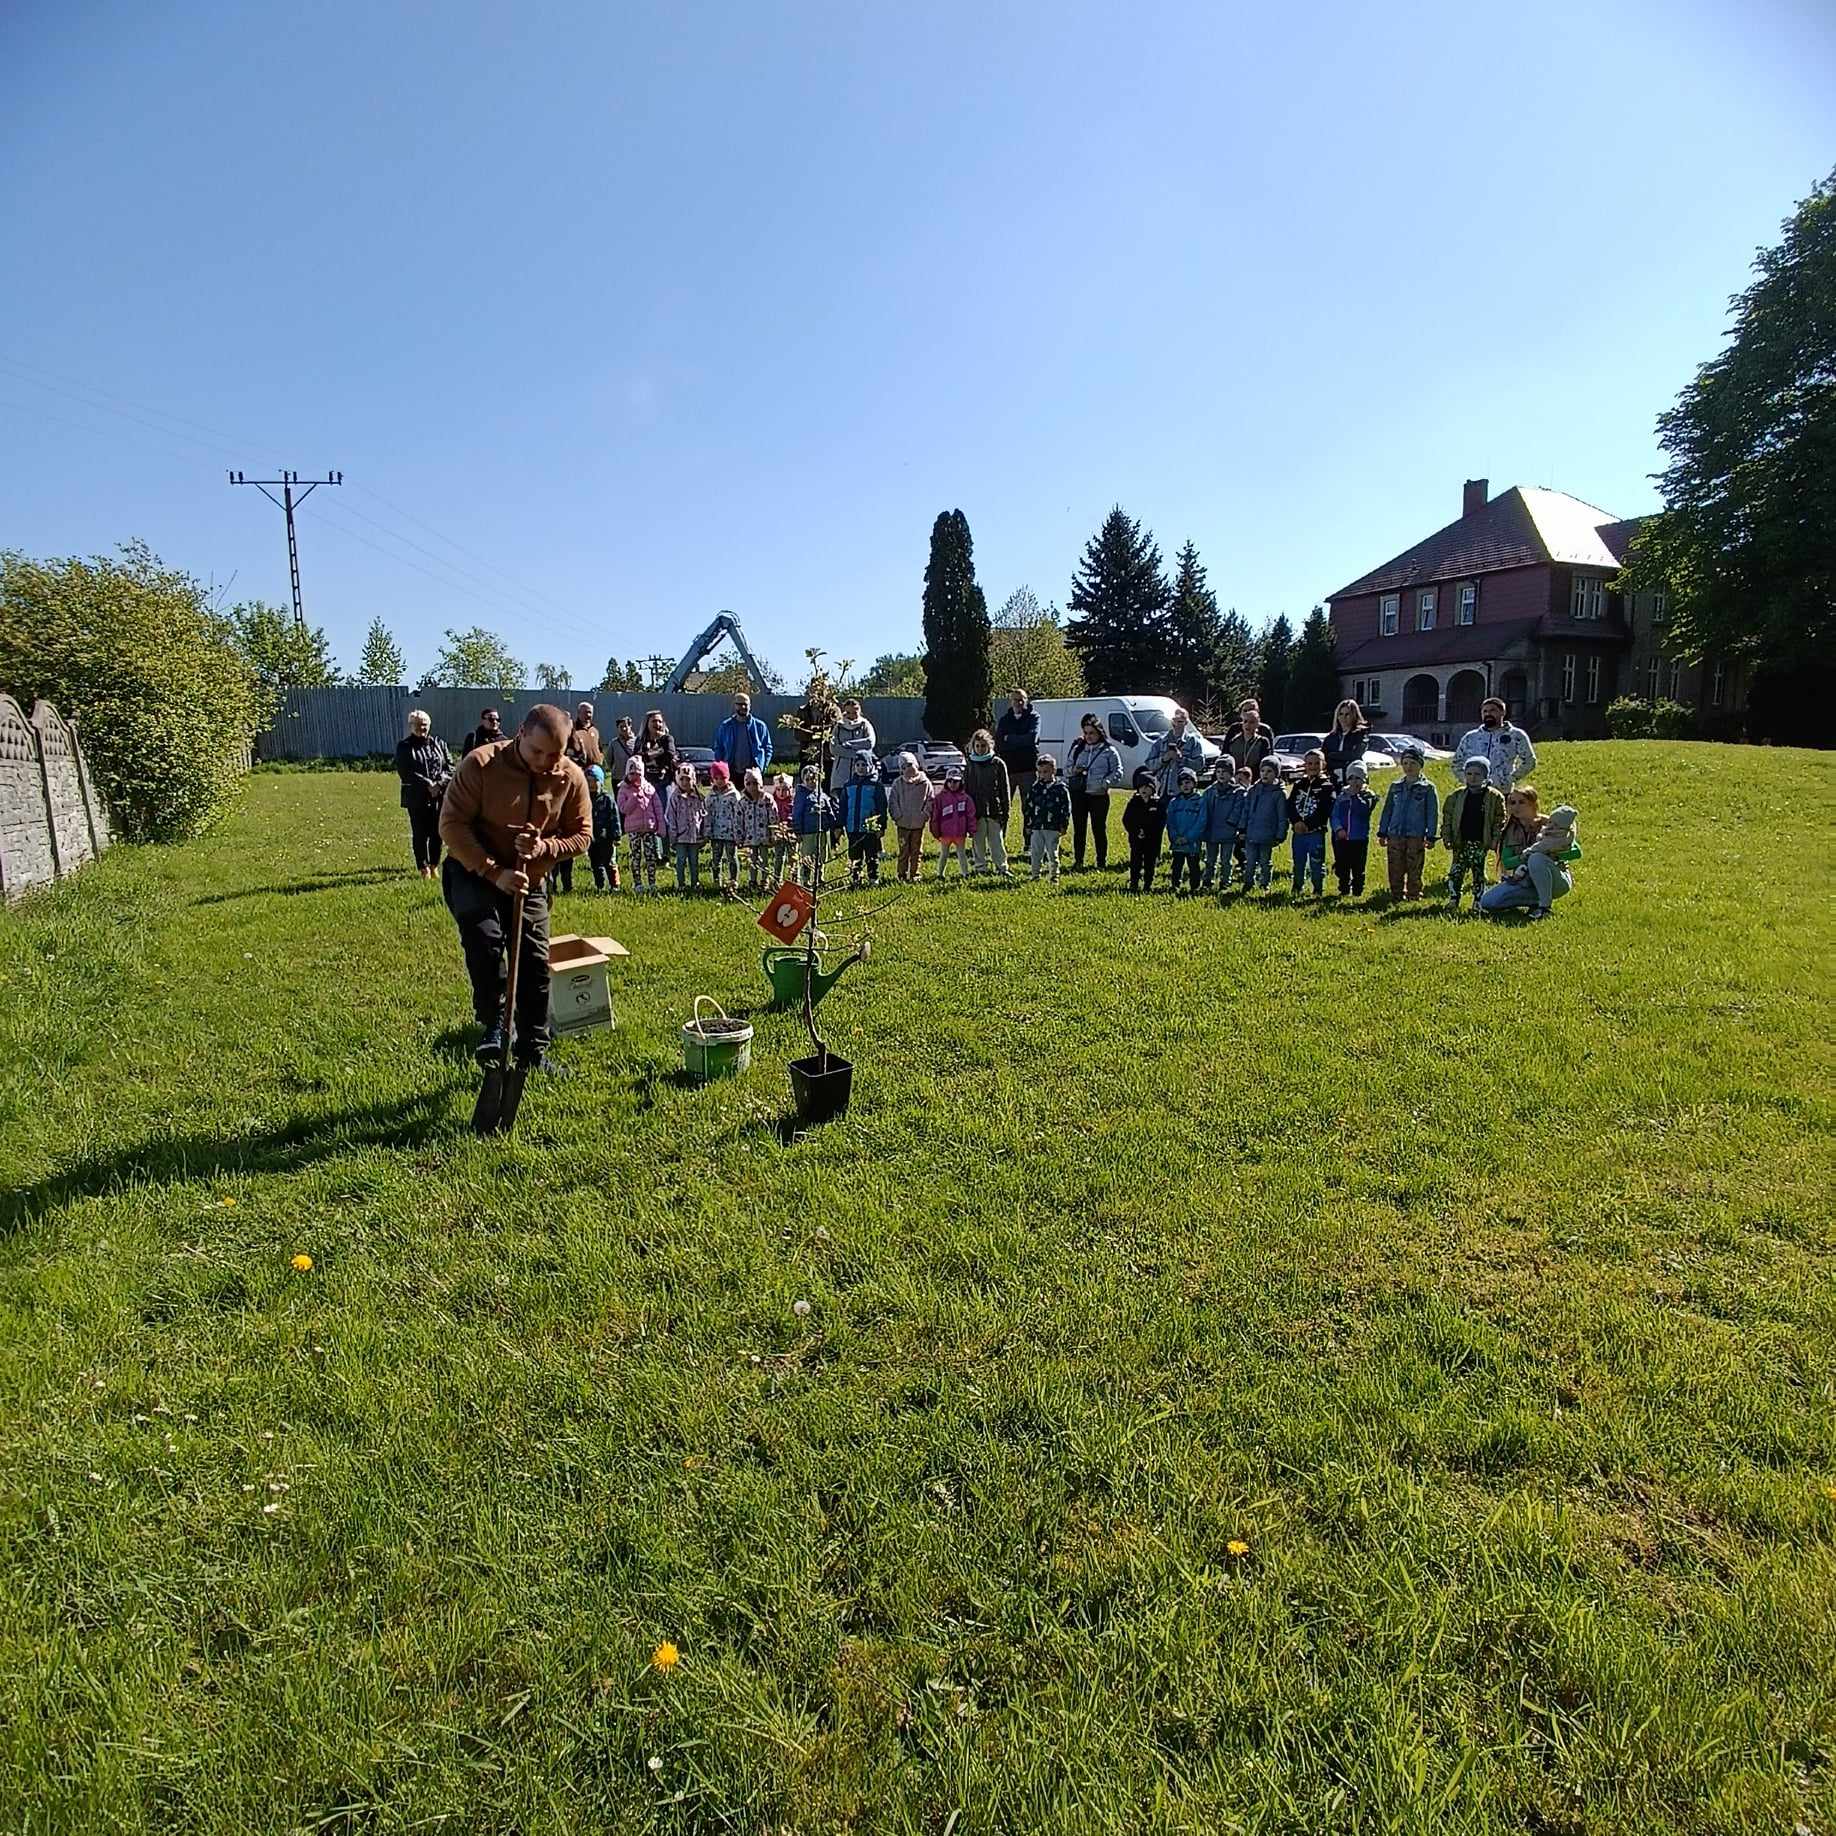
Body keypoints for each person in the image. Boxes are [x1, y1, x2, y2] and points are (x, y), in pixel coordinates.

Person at [437, 704, 589, 1071]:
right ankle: (496, 1024)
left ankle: (533, 1050)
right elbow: (452, 825)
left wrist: (544, 848)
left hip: (529, 880)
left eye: (555, 754)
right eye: (537, 751)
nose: (545, 762)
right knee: (485, 943)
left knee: (535, 963)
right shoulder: (481, 764)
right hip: (473, 872)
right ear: (520, 732)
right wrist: (493, 872)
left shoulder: (570, 777)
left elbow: (582, 836)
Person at [1481, 800, 1580, 919]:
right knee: (1487, 901)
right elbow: (1507, 863)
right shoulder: (1508, 830)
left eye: (1521, 802)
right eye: (1512, 803)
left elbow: (1577, 852)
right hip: (1524, 879)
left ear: (1532, 804)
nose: (1516, 807)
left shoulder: (1552, 825)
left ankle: (1544, 908)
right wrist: (1524, 858)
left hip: (1556, 880)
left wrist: (1553, 855)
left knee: (1536, 858)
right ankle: (1532, 901)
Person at [1442, 754, 1506, 910]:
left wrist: (1495, 839)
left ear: (1485, 776)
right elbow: (1447, 818)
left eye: (1477, 774)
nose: (1473, 778)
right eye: (1469, 774)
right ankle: (1454, 898)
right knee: (1456, 871)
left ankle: (1478, 900)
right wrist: (1447, 837)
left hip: (1480, 841)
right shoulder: (1456, 796)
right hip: (1460, 840)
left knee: (1478, 872)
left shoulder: (1494, 797)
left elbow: (1500, 820)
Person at [1377, 743, 1439, 900]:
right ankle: (1397, 893)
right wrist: (1383, 831)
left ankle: (1414, 893)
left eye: (1413, 763)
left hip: (1415, 835)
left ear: (1420, 765)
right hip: (1395, 833)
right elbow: (1388, 810)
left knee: (1414, 865)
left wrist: (1431, 835)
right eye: (1405, 763)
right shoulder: (1395, 787)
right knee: (1395, 865)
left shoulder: (1427, 788)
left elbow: (1432, 813)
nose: (1408, 767)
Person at [394, 708, 451, 878]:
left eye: (425, 725)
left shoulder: (439, 744)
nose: (422, 728)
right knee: (420, 833)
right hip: (416, 797)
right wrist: (428, 785)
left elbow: (450, 767)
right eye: (418, 725)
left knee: (437, 833)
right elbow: (405, 771)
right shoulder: (404, 747)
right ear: (411, 726)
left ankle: (434, 865)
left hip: (438, 796)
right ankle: (423, 867)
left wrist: (439, 783)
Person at [1064, 712, 1123, 870]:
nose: (1088, 736)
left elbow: (1118, 772)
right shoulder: (1078, 748)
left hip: (1099, 795)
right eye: (1086, 733)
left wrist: (1105, 783)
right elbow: (1066, 770)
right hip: (1079, 794)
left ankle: (1101, 862)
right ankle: (1078, 861)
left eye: (1092, 733)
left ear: (1099, 733)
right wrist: (1075, 770)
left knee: (1099, 829)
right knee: (1079, 829)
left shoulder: (1109, 750)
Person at [1453, 696, 1537, 790]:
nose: (1488, 714)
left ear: (1503, 712)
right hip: (1474, 792)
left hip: (1502, 791)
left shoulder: (1516, 735)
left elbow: (1530, 761)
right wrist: (1467, 780)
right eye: (1485, 711)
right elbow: (1456, 763)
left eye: (1493, 710)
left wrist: (1510, 779)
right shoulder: (1470, 737)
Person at [963, 729, 1012, 878]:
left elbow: (1005, 788)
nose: (980, 749)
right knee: (978, 842)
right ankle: (980, 867)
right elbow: (966, 789)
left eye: (983, 746)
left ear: (989, 745)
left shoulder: (997, 763)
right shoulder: (970, 764)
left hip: (994, 809)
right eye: (977, 746)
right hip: (976, 811)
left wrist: (1006, 809)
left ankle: (1002, 867)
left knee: (996, 841)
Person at [1285, 748, 1334, 897]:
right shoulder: (1299, 784)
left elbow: (1324, 810)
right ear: (1304, 765)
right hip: (1298, 833)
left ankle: (1318, 889)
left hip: (1315, 832)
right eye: (1309, 763)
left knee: (1316, 862)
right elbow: (1290, 805)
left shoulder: (1327, 786)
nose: (1312, 766)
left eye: (1316, 763)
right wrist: (1296, 822)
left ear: (1323, 764)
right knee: (1298, 861)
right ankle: (1297, 887)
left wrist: (1308, 824)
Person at [995, 690, 1040, 840]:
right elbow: (1000, 743)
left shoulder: (1034, 717)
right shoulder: (1004, 720)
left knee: (1028, 807)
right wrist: (1020, 740)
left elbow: (1032, 738)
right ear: (1010, 701)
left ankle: (1028, 842)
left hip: (1028, 769)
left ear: (1026, 701)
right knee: (1003, 806)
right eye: (1015, 700)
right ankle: (1000, 840)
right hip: (1008, 770)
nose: (1018, 703)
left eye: (1021, 700)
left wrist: (1010, 739)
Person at [840, 750, 889, 886]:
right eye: (858, 765)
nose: (861, 768)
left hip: (870, 829)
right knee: (854, 855)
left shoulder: (876, 785)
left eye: (864, 765)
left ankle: (873, 878)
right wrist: (840, 825)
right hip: (853, 827)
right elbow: (843, 806)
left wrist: (881, 826)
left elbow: (882, 807)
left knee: (871, 855)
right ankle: (855, 878)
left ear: (870, 766)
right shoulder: (848, 785)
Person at [1242, 758, 1290, 891]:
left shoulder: (1279, 794)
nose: (1265, 774)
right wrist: (1242, 828)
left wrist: (1280, 834)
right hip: (1251, 832)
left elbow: (1282, 816)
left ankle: (1264, 883)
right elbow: (1246, 810)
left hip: (1267, 834)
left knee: (1265, 861)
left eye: (1269, 771)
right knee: (1250, 861)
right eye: (1262, 771)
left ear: (1276, 774)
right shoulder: (1253, 790)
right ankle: (1248, 882)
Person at [616, 757, 663, 892]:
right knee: (635, 856)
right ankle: (637, 883)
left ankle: (652, 882)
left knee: (650, 856)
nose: (635, 777)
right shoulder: (623, 789)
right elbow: (623, 808)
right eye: (632, 774)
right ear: (627, 774)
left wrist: (661, 827)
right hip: (634, 829)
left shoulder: (649, 788)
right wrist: (633, 799)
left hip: (649, 828)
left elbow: (658, 808)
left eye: (638, 774)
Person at [1023, 754, 1072, 883]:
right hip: (1037, 825)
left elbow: (1066, 808)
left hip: (1053, 826)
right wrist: (1028, 824)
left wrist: (1064, 824)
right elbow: (1028, 806)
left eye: (1046, 772)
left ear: (1053, 771)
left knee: (1052, 852)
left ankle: (1054, 876)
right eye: (1040, 772)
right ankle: (1035, 875)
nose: (1042, 775)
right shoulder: (1035, 788)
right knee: (1035, 852)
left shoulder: (1060, 789)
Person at [1201, 759, 1248, 893]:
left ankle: (1225, 881)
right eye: (1219, 771)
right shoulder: (1210, 791)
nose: (1221, 775)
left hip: (1228, 831)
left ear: (1231, 773)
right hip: (1211, 831)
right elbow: (1204, 809)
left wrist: (1233, 823)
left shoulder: (1238, 792)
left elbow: (1239, 810)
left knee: (1226, 860)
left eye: (1225, 772)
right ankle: (1207, 880)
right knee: (1210, 859)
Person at [887, 750, 935, 882]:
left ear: (916, 765)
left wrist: (924, 815)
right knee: (903, 850)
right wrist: (897, 816)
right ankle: (901, 874)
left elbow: (930, 800)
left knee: (916, 850)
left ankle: (915, 873)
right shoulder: (898, 783)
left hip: (918, 824)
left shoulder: (925, 783)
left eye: (910, 765)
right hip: (903, 824)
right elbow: (892, 801)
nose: (908, 769)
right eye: (904, 767)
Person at [1330, 762, 1376, 896]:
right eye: (1351, 778)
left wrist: (1356, 796)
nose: (1354, 781)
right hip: (1343, 839)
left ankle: (1357, 890)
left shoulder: (1368, 796)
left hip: (1359, 838)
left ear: (1364, 779)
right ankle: (1344, 888)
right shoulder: (1342, 797)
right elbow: (1335, 815)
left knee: (1358, 866)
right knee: (1342, 865)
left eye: (1358, 778)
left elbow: (1364, 811)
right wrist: (1338, 829)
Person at [791, 764, 840, 886]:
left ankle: (819, 877)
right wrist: (797, 831)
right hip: (808, 832)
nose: (811, 782)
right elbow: (797, 814)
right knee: (807, 856)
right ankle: (805, 879)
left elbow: (829, 810)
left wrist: (834, 824)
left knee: (821, 855)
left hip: (822, 830)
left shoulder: (822, 795)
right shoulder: (802, 795)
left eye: (813, 779)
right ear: (803, 780)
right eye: (807, 779)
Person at [1143, 705, 1204, 800]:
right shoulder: (1161, 741)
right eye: (1175, 720)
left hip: (1182, 792)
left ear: (1186, 723)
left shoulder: (1193, 742)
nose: (1177, 724)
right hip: (1162, 791)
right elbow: (1149, 765)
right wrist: (1163, 759)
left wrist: (1181, 759)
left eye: (1181, 721)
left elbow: (1199, 765)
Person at [1164, 767, 1207, 895]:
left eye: (1188, 782)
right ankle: (1175, 884)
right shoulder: (1174, 802)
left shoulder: (1200, 802)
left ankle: (1195, 886)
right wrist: (1174, 836)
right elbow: (1170, 822)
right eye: (1182, 783)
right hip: (1177, 841)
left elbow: (1201, 822)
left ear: (1194, 783)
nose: (1185, 786)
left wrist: (1188, 837)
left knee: (1193, 865)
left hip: (1192, 842)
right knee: (1177, 865)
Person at [712, 691, 774, 780]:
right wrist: (722, 767)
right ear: (735, 705)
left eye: (745, 704)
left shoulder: (760, 726)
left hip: (753, 773)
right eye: (740, 704)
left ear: (750, 706)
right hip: (731, 773)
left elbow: (768, 748)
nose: (743, 707)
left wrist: (762, 767)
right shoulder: (725, 726)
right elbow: (718, 748)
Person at [704, 761, 745, 891]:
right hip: (716, 833)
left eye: (723, 778)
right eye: (716, 778)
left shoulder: (734, 795)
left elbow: (739, 815)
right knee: (716, 858)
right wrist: (707, 830)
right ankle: (717, 880)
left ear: (728, 778)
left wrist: (738, 832)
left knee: (732, 857)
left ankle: (733, 881)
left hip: (730, 833)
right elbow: (707, 814)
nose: (720, 781)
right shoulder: (710, 796)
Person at [665, 762, 706, 890]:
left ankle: (695, 883)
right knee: (680, 861)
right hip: (680, 837)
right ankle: (681, 883)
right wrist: (673, 836)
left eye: (687, 779)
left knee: (694, 862)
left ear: (693, 780)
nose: (684, 782)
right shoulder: (675, 797)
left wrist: (704, 834)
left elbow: (704, 816)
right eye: (681, 779)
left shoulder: (699, 797)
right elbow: (670, 817)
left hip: (694, 836)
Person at [930, 764, 976, 881]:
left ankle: (965, 873)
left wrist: (972, 830)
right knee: (944, 854)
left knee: (961, 854)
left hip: (960, 833)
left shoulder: (965, 798)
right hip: (945, 833)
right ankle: (940, 874)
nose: (952, 784)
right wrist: (935, 831)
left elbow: (971, 816)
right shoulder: (940, 798)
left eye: (955, 781)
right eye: (950, 781)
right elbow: (935, 816)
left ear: (961, 782)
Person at [1122, 768, 1163, 894]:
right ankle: (1134, 882)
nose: (1144, 790)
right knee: (1135, 862)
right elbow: (1126, 820)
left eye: (1147, 787)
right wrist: (1135, 831)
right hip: (1136, 840)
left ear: (1153, 789)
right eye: (1141, 787)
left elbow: (1160, 822)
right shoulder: (1133, 803)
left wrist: (1151, 833)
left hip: (1152, 841)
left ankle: (1148, 884)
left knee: (1150, 863)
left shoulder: (1157, 804)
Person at [828, 697, 877, 792]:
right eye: (848, 712)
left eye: (855, 712)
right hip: (841, 773)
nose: (852, 715)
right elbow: (834, 748)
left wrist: (848, 744)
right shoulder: (838, 726)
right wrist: (856, 752)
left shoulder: (865, 724)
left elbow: (870, 743)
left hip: (862, 772)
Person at [738, 767, 775, 891]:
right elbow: (738, 821)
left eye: (755, 783)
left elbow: (773, 817)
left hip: (764, 836)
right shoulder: (742, 802)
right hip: (749, 837)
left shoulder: (767, 799)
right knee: (752, 860)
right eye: (748, 783)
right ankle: (752, 880)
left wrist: (774, 833)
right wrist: (739, 837)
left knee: (764, 859)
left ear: (761, 784)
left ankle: (765, 879)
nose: (752, 786)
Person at [1321, 698, 1372, 788]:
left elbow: (1355, 754)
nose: (1343, 718)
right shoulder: (1330, 738)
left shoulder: (1361, 734)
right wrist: (1341, 759)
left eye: (1347, 714)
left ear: (1354, 715)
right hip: (1334, 779)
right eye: (1341, 714)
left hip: (1354, 779)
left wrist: (1333, 755)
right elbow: (1324, 758)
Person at [586, 764, 622, 891]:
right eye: (588, 781)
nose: (591, 784)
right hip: (592, 837)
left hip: (606, 837)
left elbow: (615, 818)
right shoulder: (585, 800)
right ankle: (599, 885)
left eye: (594, 781)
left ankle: (615, 885)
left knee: (609, 862)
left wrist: (616, 835)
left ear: (600, 782)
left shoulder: (607, 800)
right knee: (596, 863)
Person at [639, 710, 679, 816]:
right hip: (646, 782)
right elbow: (638, 758)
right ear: (647, 723)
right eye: (654, 721)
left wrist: (649, 755)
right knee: (648, 813)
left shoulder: (667, 739)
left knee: (665, 812)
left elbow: (670, 753)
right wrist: (661, 751)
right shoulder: (640, 741)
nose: (657, 724)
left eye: (660, 721)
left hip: (664, 781)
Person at [1223, 699, 1277, 773]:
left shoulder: (1265, 730)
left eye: (1251, 709)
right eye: (1245, 710)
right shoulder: (1234, 729)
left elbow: (1269, 756)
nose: (1248, 712)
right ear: (1241, 713)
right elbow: (1225, 752)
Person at [768, 772, 798, 885]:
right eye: (779, 789)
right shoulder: (772, 802)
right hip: (778, 834)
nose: (781, 793)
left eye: (785, 789)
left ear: (790, 789)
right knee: (779, 857)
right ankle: (777, 879)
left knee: (793, 857)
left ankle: (794, 878)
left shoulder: (794, 802)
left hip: (791, 834)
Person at [565, 700, 603, 771]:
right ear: (579, 713)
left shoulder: (595, 730)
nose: (588, 715)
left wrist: (600, 758)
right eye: (586, 712)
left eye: (590, 712)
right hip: (579, 770)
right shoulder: (572, 729)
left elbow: (600, 749)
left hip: (595, 771)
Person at [605, 714, 638, 785]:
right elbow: (608, 759)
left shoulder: (637, 741)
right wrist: (615, 769)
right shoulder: (614, 743)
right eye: (621, 727)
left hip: (633, 777)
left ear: (630, 726)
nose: (624, 729)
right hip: (618, 778)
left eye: (625, 726)